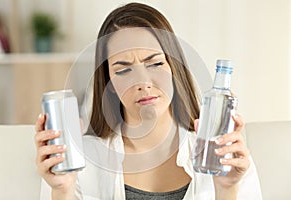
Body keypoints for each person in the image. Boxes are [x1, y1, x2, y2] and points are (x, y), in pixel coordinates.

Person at [35, 2, 262, 200]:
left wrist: (227, 190)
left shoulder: (224, 158)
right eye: (124, 71)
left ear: (174, 68)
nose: (143, 82)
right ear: (109, 85)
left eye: (154, 64)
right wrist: (62, 192)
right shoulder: (78, 162)